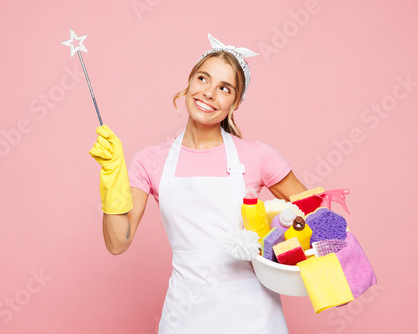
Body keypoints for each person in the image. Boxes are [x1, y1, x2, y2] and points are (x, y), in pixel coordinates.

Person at [89, 34, 307, 334]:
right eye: (203, 79)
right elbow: (117, 243)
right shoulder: (151, 160)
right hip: (185, 314)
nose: (209, 93)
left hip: (254, 315)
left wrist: (271, 242)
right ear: (189, 81)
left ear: (236, 103)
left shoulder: (257, 156)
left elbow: (313, 218)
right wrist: (112, 177)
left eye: (224, 88)